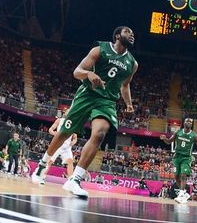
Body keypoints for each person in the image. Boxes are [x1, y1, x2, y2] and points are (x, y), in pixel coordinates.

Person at [31, 26, 138, 198]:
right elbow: (77, 72)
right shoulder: (99, 49)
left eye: (133, 33)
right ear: (118, 35)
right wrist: (89, 74)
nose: (132, 35)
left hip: (107, 101)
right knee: (64, 132)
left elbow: (125, 85)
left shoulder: (132, 63)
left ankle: (75, 180)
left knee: (100, 133)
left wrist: (129, 104)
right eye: (128, 32)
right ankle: (42, 165)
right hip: (87, 94)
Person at [160, 117, 197, 204]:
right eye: (187, 121)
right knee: (176, 176)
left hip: (186, 158)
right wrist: (164, 138)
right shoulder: (178, 132)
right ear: (184, 122)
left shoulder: (195, 136)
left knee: (183, 175)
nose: (189, 122)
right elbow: (169, 141)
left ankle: (181, 195)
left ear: (192, 124)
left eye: (191, 122)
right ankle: (185, 194)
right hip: (177, 157)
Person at [37, 117, 78, 186]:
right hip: (58, 144)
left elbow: (75, 138)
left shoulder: (73, 122)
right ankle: (42, 177)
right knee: (49, 161)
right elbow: (50, 129)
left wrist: (73, 142)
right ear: (64, 113)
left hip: (66, 147)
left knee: (70, 162)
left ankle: (71, 181)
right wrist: (54, 133)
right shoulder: (59, 120)